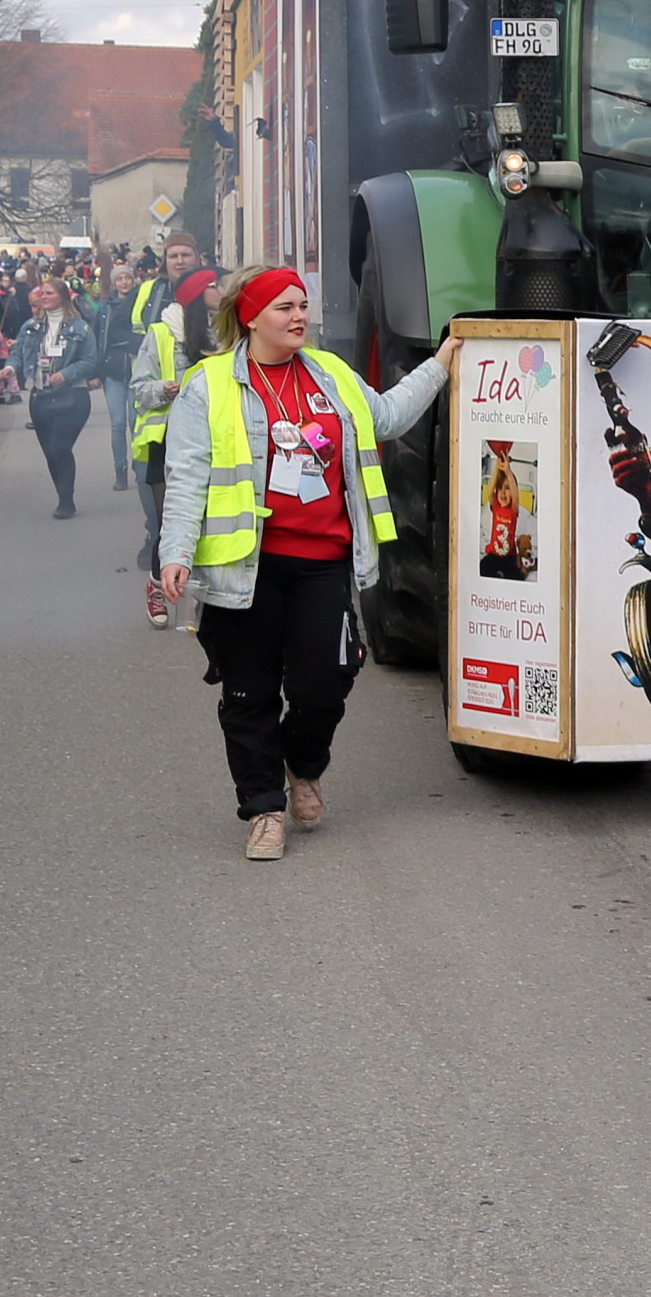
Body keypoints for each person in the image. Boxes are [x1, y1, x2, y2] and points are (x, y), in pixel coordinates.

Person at [156, 267, 456, 861]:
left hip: (323, 563)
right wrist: (176, 551)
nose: (300, 317)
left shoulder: (330, 374)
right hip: (246, 569)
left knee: (325, 683)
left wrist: (443, 361)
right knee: (249, 693)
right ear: (250, 317)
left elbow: (388, 416)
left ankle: (304, 763)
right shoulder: (207, 385)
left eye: (302, 305)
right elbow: (186, 475)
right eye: (285, 307)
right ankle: (264, 810)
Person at [132, 265, 223, 611]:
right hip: (167, 441)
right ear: (198, 295)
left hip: (212, 438)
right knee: (169, 523)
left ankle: (203, 597)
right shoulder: (160, 333)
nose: (221, 291)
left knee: (208, 522)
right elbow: (139, 387)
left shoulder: (227, 331)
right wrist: (162, 389)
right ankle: (156, 587)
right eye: (214, 286)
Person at [11, 277, 99, 519]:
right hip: (40, 396)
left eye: (49, 293)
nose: (43, 297)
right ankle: (62, 495)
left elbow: (90, 362)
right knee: (50, 452)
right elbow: (18, 351)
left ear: (62, 296)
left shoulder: (80, 328)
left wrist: (64, 374)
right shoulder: (31, 326)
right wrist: (10, 367)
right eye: (42, 293)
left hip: (73, 397)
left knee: (60, 447)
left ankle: (67, 500)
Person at [100, 264, 142, 493]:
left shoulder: (141, 303)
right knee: (117, 424)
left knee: (136, 423)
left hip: (137, 372)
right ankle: (120, 469)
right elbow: (101, 338)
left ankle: (140, 467)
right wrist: (97, 372)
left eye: (127, 278)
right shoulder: (106, 308)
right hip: (113, 373)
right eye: (119, 279)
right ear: (114, 283)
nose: (124, 282)